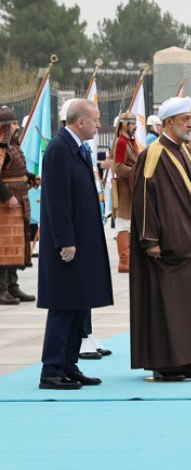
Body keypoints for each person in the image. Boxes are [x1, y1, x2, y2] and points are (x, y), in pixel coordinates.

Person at [129, 96, 191, 381]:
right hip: (164, 247)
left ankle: (187, 361)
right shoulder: (151, 154)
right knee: (166, 305)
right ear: (168, 123)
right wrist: (149, 239)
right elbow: (142, 199)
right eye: (184, 119)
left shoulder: (186, 151)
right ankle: (166, 364)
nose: (190, 123)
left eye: (190, 118)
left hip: (186, 243)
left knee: (186, 306)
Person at [37, 99, 112, 390]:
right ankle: (51, 370)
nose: (98, 125)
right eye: (94, 120)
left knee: (79, 304)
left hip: (82, 242)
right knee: (63, 306)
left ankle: (69, 365)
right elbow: (56, 200)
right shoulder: (58, 149)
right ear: (80, 121)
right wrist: (65, 241)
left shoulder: (78, 148)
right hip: (67, 246)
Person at [0, 107, 38, 305]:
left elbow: (16, 172)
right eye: (13, 124)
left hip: (19, 202)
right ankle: (1, 288)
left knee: (15, 246)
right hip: (6, 207)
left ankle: (12, 286)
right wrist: (6, 197)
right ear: (4, 127)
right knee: (4, 247)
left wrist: (31, 178)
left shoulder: (14, 147)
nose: (17, 127)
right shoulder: (1, 147)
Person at [111, 112, 139, 273]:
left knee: (130, 224)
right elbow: (119, 167)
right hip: (124, 188)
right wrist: (137, 170)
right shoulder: (121, 142)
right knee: (123, 223)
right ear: (124, 125)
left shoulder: (129, 141)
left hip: (131, 186)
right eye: (132, 123)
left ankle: (130, 260)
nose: (134, 126)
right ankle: (124, 261)